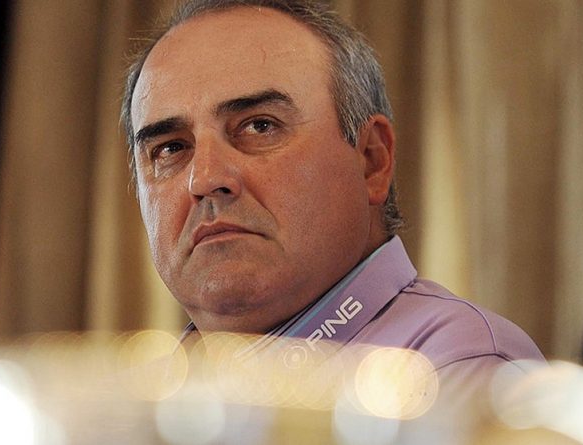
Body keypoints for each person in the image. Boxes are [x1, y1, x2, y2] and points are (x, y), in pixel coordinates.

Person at [120, 0, 544, 419]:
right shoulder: (132, 402)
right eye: (170, 148)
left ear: (372, 160)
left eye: (259, 126)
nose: (204, 178)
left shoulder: (459, 374)